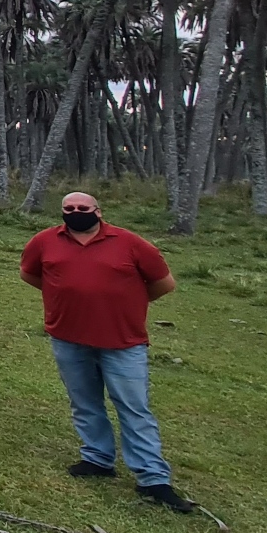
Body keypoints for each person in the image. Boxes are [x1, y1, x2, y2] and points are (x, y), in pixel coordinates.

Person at [20, 192, 193, 512]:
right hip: (68, 338)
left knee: (134, 408)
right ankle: (97, 458)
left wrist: (127, 302)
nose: (75, 213)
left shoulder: (131, 244)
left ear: (98, 211)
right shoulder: (44, 242)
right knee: (84, 403)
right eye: (68, 209)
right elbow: (30, 274)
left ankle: (153, 478)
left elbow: (164, 283)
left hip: (122, 343)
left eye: (82, 209)